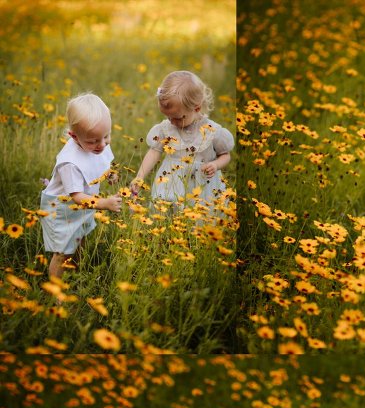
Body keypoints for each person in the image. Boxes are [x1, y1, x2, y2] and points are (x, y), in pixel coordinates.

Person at [40, 93, 122, 280]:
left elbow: (102, 162)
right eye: (93, 141)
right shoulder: (70, 163)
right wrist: (104, 204)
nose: (101, 144)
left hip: (84, 207)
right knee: (62, 252)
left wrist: (109, 173)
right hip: (63, 209)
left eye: (106, 136)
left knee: (80, 238)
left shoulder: (97, 142)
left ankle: (76, 273)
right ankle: (56, 291)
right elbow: (76, 196)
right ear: (74, 136)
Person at [131, 70, 234, 215]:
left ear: (196, 108)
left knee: (201, 217)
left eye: (178, 118)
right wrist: (140, 176)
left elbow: (225, 155)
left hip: (202, 186)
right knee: (168, 214)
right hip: (171, 183)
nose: (172, 122)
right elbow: (154, 152)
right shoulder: (166, 129)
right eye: (168, 117)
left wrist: (215, 165)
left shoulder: (212, 131)